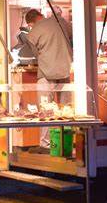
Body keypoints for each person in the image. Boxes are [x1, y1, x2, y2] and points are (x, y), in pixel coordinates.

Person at [25, 9, 73, 154]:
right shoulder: (61, 22)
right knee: (66, 110)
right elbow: (72, 38)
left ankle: (46, 145)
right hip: (65, 71)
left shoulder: (33, 32)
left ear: (31, 23)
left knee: (46, 110)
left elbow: (35, 53)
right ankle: (66, 143)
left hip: (46, 73)